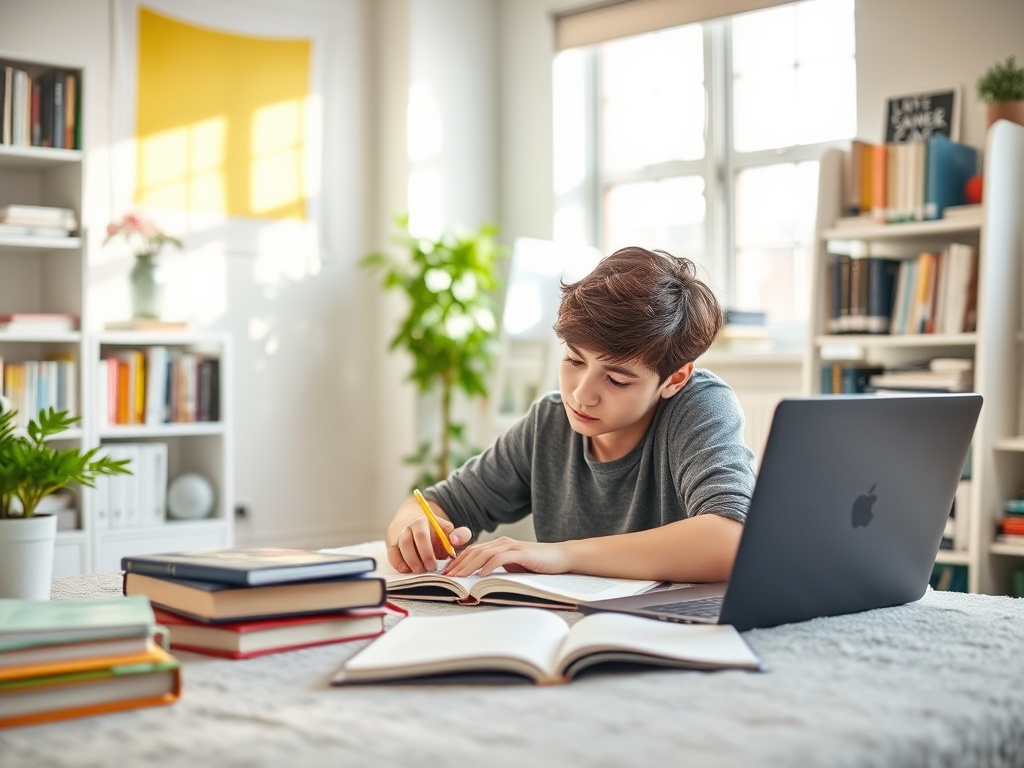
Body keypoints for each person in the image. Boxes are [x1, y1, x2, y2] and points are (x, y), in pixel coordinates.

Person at [386, 246, 756, 584]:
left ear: (674, 379)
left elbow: (731, 538)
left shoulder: (698, 405)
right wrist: (416, 526)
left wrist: (562, 554)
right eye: (574, 361)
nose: (581, 395)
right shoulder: (549, 421)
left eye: (615, 380)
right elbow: (440, 502)